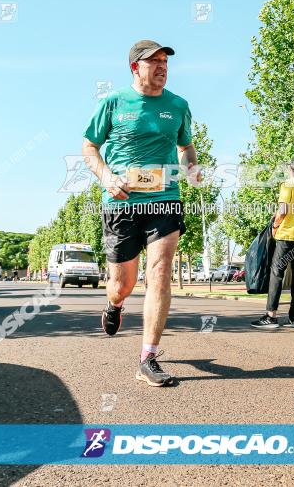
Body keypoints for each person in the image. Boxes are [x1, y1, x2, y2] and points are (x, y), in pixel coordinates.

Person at [82, 39, 197, 387]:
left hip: (165, 196)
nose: (162, 67)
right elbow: (89, 146)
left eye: (165, 61)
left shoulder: (178, 105)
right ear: (135, 67)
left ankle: (148, 356)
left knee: (160, 271)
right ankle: (114, 305)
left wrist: (190, 168)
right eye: (154, 62)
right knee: (123, 284)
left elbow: (186, 146)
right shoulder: (114, 102)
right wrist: (106, 176)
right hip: (121, 202)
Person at [251, 156, 294, 329]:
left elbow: (283, 210)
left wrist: (276, 225)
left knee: (276, 273)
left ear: (291, 169)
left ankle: (271, 316)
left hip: (287, 236)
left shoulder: (288, 185)